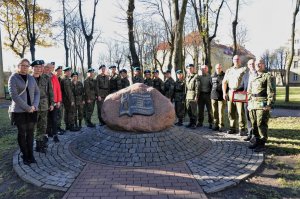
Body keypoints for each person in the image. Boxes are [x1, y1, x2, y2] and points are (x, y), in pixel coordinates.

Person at [8, 58, 40, 165]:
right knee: (22, 133)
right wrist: (27, 107)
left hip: (32, 110)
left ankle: (31, 155)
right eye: (23, 65)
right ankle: (25, 155)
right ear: (18, 66)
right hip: (19, 111)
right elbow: (14, 96)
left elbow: (37, 93)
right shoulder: (13, 78)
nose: (25, 67)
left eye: (27, 66)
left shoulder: (31, 78)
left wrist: (34, 105)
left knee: (30, 133)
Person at [247, 59, 275, 152]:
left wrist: (269, 104)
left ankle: (262, 143)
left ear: (263, 64)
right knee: (254, 124)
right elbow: (249, 91)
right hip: (253, 104)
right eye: (256, 64)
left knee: (261, 124)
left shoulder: (268, 76)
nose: (258, 65)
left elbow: (271, 92)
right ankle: (257, 141)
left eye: (260, 63)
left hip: (262, 103)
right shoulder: (253, 76)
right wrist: (249, 103)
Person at [32, 60, 55, 152]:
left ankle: (40, 144)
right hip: (33, 106)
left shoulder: (46, 77)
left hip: (44, 104)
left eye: (40, 67)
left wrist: (52, 103)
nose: (39, 69)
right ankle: (31, 143)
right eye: (36, 67)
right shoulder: (29, 78)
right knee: (33, 125)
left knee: (43, 125)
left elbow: (50, 91)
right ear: (33, 68)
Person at [222, 55, 247, 134]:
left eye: (238, 59)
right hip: (230, 92)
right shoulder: (229, 70)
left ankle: (242, 129)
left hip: (239, 92)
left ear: (240, 60)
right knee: (230, 111)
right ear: (233, 60)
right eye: (235, 59)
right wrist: (224, 92)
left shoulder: (244, 69)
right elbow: (224, 82)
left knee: (240, 112)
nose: (236, 60)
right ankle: (232, 128)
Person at [237, 59, 257, 140]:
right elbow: (242, 86)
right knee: (248, 117)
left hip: (256, 99)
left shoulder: (259, 74)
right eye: (250, 64)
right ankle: (250, 134)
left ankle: (255, 135)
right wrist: (235, 91)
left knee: (255, 118)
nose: (251, 65)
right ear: (248, 66)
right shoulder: (245, 75)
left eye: (253, 64)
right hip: (247, 99)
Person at [44, 63, 62, 143]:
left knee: (54, 119)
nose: (49, 69)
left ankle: (55, 135)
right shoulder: (42, 76)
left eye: (51, 67)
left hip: (54, 102)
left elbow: (58, 89)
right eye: (47, 67)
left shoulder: (54, 77)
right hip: (44, 102)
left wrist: (58, 100)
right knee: (46, 120)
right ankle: (47, 135)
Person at [61, 66, 78, 131]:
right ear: (65, 72)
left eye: (70, 71)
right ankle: (71, 126)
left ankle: (68, 126)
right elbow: (68, 91)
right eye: (68, 72)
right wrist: (72, 100)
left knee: (67, 112)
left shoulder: (66, 79)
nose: (69, 73)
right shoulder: (66, 80)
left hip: (66, 99)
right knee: (71, 112)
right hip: (68, 99)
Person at [210, 64, 226, 132]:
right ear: (215, 68)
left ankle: (221, 126)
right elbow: (211, 84)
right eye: (217, 68)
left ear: (221, 68)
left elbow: (226, 85)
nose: (218, 69)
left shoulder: (225, 76)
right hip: (213, 96)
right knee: (214, 112)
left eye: (219, 68)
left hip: (221, 97)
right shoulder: (212, 75)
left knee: (220, 112)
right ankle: (215, 125)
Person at [185, 64, 200, 129]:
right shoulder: (187, 76)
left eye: (191, 68)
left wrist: (196, 96)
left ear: (193, 69)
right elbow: (186, 87)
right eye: (189, 68)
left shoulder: (196, 76)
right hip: (187, 95)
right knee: (189, 110)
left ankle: (194, 124)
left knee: (194, 111)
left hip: (193, 95)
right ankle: (191, 122)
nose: (190, 69)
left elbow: (197, 87)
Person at [55, 65, 65, 133]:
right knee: (56, 115)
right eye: (59, 71)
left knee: (60, 114)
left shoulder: (61, 79)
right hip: (55, 100)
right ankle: (55, 128)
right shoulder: (54, 78)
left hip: (60, 100)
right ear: (56, 71)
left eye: (61, 71)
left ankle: (58, 127)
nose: (60, 72)